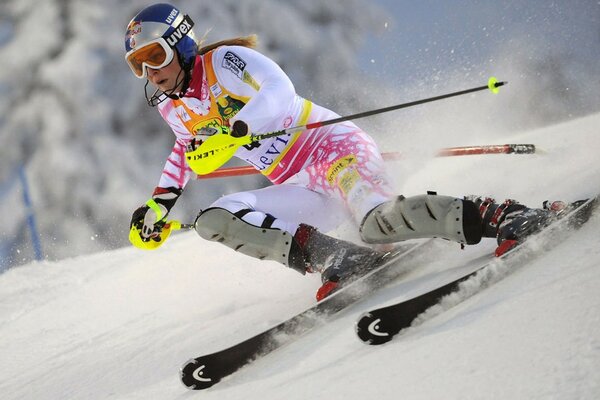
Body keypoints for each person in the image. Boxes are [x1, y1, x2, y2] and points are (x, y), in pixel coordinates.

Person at [125, 3, 562, 300]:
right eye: (137, 65)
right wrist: (158, 206)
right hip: (298, 184)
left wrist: (241, 127)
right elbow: (186, 151)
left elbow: (280, 90)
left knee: (376, 223)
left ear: (181, 45)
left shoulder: (225, 64)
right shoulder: (171, 105)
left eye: (155, 56)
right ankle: (337, 256)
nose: (149, 72)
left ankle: (504, 215)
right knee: (215, 219)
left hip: (335, 153)